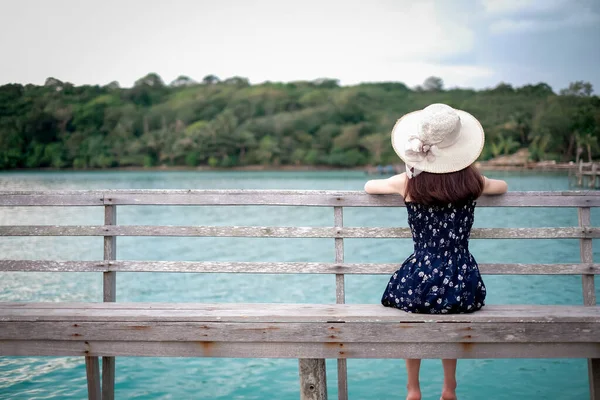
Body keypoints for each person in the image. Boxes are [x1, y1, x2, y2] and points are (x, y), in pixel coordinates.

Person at [364, 104, 508, 400]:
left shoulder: (407, 183)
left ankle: (413, 389)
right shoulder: (473, 182)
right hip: (461, 277)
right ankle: (449, 387)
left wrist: (409, 171)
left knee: (412, 313)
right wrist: (475, 174)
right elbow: (502, 185)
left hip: (419, 277)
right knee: (450, 309)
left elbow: (369, 186)